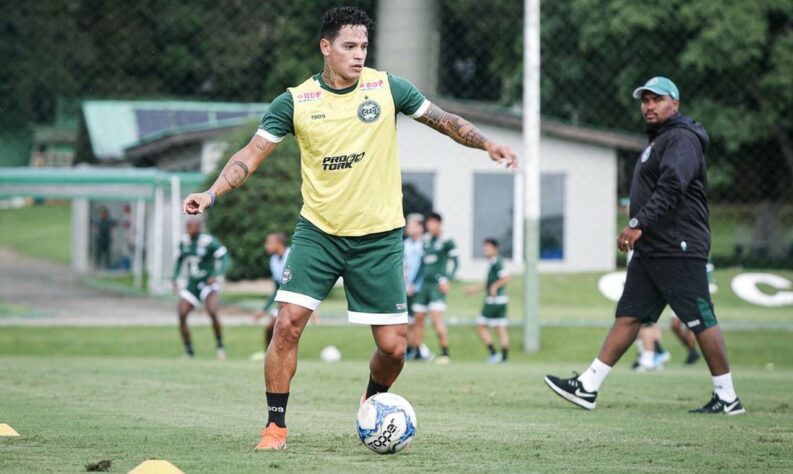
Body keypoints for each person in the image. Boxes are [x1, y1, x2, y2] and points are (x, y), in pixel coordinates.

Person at [181, 6, 517, 450]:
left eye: (363, 47)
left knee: (395, 347)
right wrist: (212, 193)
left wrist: (486, 143)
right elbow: (252, 153)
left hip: (379, 239)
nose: (359, 55)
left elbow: (446, 121)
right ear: (326, 47)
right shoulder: (296, 101)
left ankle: (372, 402)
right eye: (349, 46)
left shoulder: (387, 87)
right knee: (287, 324)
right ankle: (275, 426)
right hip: (319, 233)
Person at [544, 76, 744, 415]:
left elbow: (672, 186)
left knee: (700, 318)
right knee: (629, 316)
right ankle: (588, 387)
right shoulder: (661, 139)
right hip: (653, 249)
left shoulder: (682, 138)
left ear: (675, 104)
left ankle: (727, 397)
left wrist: (637, 224)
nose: (649, 106)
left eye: (658, 99)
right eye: (645, 100)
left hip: (677, 245)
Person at [171, 217, 231, 360]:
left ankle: (220, 346)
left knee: (212, 311)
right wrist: (174, 278)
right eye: (188, 226)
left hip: (208, 283)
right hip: (192, 284)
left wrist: (216, 275)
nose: (190, 228)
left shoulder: (209, 241)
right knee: (182, 313)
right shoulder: (184, 241)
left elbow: (226, 259)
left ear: (199, 227)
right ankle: (189, 350)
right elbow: (180, 260)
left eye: (193, 226)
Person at [410, 212, 459, 364]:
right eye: (428, 223)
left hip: (437, 286)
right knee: (418, 318)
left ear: (439, 223)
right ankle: (417, 352)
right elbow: (422, 264)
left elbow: (456, 263)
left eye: (432, 222)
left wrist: (448, 280)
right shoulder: (425, 240)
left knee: (436, 319)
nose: (429, 226)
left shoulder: (447, 241)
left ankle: (445, 353)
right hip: (425, 285)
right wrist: (413, 282)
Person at [465, 238, 510, 364]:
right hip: (501, 301)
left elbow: (506, 278)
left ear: (496, 249)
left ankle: (494, 354)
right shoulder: (493, 263)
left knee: (481, 326)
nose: (485, 250)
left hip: (493, 301)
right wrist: (473, 290)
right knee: (500, 328)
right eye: (485, 247)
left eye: (488, 247)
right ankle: (504, 358)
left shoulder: (497, 262)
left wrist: (495, 287)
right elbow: (488, 284)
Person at [249, 232, 291, 362]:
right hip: (284, 300)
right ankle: (270, 356)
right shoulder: (274, 260)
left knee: (283, 329)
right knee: (271, 327)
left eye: (269, 242)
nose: (266, 245)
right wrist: (264, 309)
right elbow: (277, 288)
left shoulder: (291, 255)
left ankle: (280, 357)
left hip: (295, 299)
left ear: (278, 244)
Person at [403, 214, 429, 361]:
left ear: (420, 227)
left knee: (418, 321)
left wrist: (415, 284)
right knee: (407, 321)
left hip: (420, 289)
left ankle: (418, 349)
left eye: (411, 225)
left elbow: (425, 267)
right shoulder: (406, 244)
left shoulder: (426, 244)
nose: (408, 228)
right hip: (406, 288)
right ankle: (413, 349)